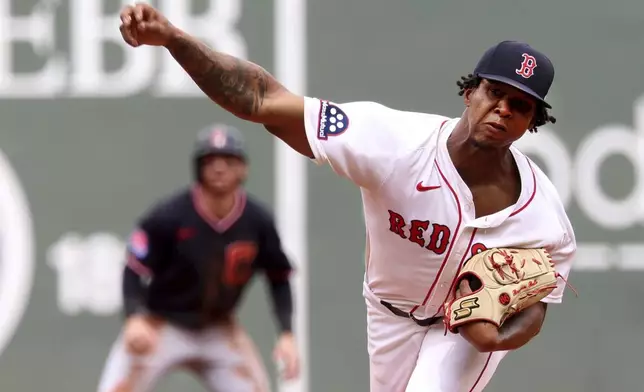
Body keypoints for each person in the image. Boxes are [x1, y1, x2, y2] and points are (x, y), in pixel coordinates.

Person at [117, 4, 577, 391]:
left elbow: (537, 305)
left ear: (532, 121)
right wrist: (176, 40)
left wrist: (498, 339)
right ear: (469, 90)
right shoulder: (394, 143)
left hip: (459, 332)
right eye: (495, 93)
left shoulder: (543, 215)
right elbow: (261, 100)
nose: (503, 110)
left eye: (520, 106)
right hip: (389, 312)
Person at [96, 124, 299, 392]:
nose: (219, 168)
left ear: (244, 168)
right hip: (161, 324)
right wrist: (133, 318)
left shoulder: (257, 221)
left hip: (218, 328)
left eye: (229, 160)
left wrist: (286, 334)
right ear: (198, 167)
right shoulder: (169, 216)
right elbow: (133, 268)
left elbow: (279, 276)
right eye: (210, 160)